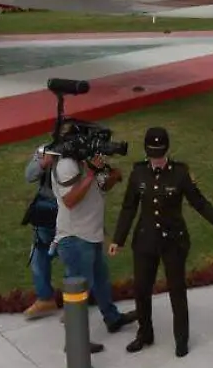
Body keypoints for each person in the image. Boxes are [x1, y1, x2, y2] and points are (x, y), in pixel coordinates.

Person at [110, 126, 213, 358]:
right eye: (152, 156)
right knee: (141, 289)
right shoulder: (139, 173)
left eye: (159, 155)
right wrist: (118, 239)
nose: (156, 161)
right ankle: (145, 334)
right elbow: (129, 207)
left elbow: (198, 202)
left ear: (166, 151)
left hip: (173, 240)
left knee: (176, 290)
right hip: (145, 239)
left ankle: (181, 338)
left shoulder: (180, 173)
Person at [51, 144, 136, 351]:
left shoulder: (83, 162)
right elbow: (70, 200)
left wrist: (112, 177)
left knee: (101, 281)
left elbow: (99, 186)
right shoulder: (66, 165)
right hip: (75, 237)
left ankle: (112, 318)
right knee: (79, 292)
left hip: (90, 235)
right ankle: (75, 341)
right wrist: (90, 172)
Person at [21, 143, 61, 320]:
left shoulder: (79, 151)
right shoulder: (46, 149)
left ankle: (78, 303)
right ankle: (45, 298)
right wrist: (44, 163)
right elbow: (29, 175)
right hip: (47, 211)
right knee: (39, 254)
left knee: (74, 257)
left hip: (72, 210)